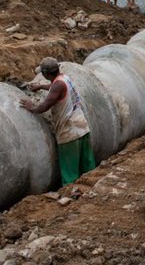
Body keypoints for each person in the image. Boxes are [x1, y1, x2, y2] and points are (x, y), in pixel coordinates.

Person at [19, 57, 96, 186]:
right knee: (87, 167)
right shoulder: (64, 78)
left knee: (69, 172)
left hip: (69, 132)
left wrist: (31, 106)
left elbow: (44, 107)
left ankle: (71, 196)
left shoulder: (58, 85)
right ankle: (91, 190)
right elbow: (55, 87)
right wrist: (42, 86)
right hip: (81, 127)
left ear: (45, 73)